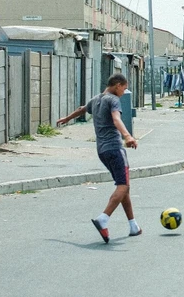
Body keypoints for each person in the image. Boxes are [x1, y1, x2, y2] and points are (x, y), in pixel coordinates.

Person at [56, 74, 140, 244]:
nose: (124, 92)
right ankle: (103, 218)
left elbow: (82, 109)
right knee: (123, 185)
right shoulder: (113, 100)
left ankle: (133, 225)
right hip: (115, 149)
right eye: (124, 88)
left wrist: (67, 118)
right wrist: (127, 136)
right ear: (117, 85)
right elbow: (117, 119)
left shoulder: (96, 100)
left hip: (101, 151)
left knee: (124, 187)